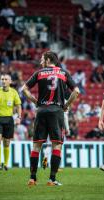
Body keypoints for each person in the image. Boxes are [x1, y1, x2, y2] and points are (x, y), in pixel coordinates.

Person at [21, 51, 80, 186]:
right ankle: (52, 179)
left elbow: (24, 89)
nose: (41, 61)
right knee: (57, 145)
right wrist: (66, 105)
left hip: (41, 111)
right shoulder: (63, 73)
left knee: (36, 145)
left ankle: (32, 178)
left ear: (48, 60)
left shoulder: (39, 73)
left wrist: (35, 102)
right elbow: (76, 91)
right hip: (57, 111)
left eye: (42, 59)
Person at [0, 74, 22, 171]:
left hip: (8, 119)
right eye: (2, 79)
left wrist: (19, 117)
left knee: (7, 142)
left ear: (10, 81)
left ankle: (6, 164)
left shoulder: (14, 92)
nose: (3, 81)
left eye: (6, 79)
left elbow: (19, 106)